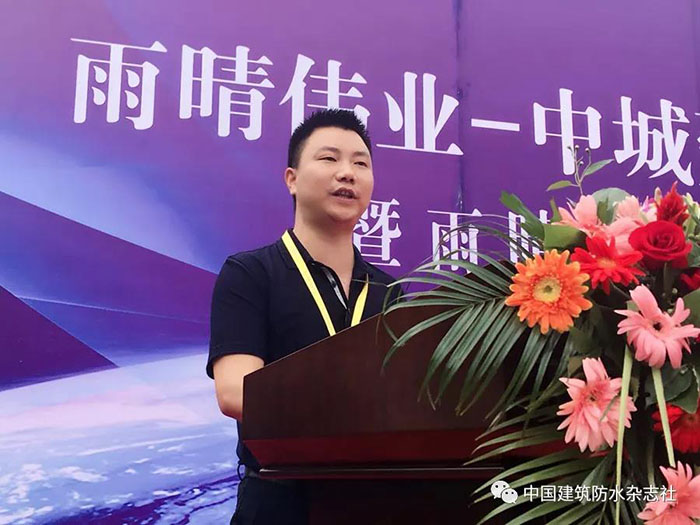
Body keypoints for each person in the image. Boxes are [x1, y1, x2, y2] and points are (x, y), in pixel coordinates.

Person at [206, 108, 401, 525]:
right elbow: (236, 392)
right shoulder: (250, 273)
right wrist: (357, 407)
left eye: (360, 163)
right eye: (329, 158)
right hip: (278, 499)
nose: (347, 173)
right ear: (291, 179)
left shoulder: (391, 293)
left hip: (375, 500)